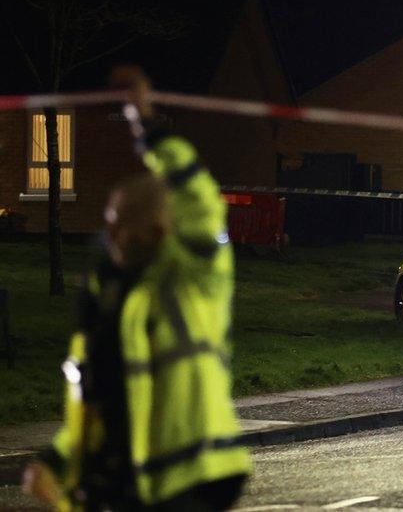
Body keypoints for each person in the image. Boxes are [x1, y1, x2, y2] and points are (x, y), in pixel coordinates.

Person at [22, 68, 251, 511]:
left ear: (159, 227)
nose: (110, 236)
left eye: (120, 224)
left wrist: (144, 122)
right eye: (108, 224)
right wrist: (57, 460)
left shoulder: (196, 276)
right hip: (125, 489)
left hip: (193, 480)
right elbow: (101, 400)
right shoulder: (106, 300)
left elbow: (200, 198)